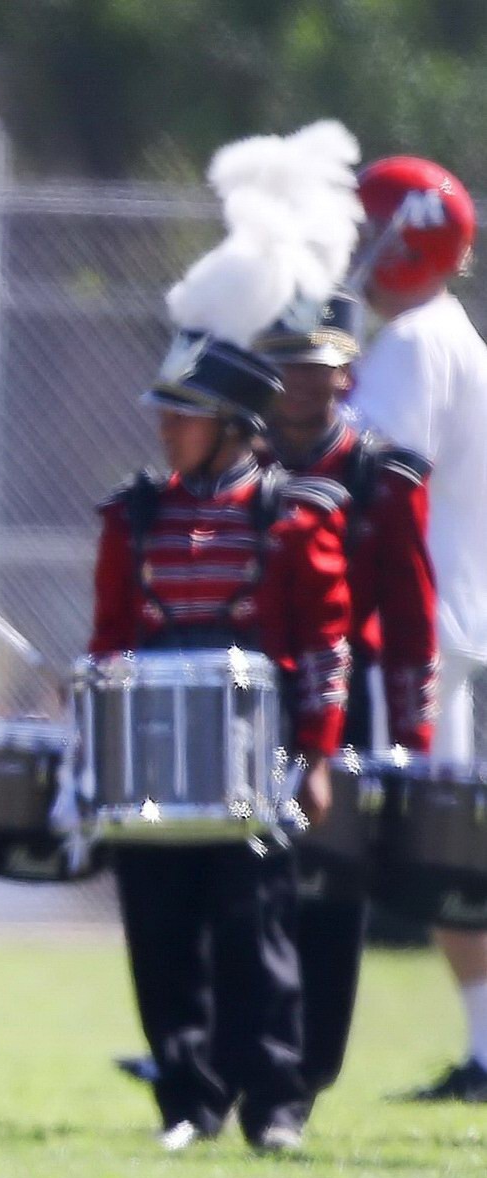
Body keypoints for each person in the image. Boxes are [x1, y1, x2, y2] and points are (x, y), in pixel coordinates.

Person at [93, 326, 350, 1153]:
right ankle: (187, 1102)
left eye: (187, 415)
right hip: (152, 762)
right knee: (160, 929)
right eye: (165, 413)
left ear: (235, 425)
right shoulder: (133, 516)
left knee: (255, 931)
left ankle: (274, 1104)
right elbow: (109, 641)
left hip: (257, 761)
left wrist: (315, 757)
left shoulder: (291, 519)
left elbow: (322, 647)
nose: (167, 428)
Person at [255, 296, 437, 1112]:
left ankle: (307, 1068)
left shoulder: (379, 476)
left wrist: (412, 742)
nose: (299, 383)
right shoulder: (239, 463)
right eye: (285, 364)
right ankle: (232, 1053)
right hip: (243, 701)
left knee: (329, 891)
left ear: (344, 375)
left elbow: (408, 617)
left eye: (315, 367)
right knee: (237, 888)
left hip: (339, 702)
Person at [348, 156, 487, 1103]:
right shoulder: (454, 337)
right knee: (450, 846)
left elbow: (370, 479)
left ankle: (263, 1039)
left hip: (415, 626)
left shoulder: (413, 345)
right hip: (451, 617)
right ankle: (484, 1050)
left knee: (417, 843)